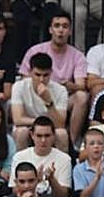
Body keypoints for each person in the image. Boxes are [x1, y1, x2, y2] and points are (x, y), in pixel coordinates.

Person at [19, 12, 91, 150]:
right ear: (50, 29)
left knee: (82, 96)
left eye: (65, 26)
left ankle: (72, 142)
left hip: (62, 97)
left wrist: (71, 86)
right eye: (57, 26)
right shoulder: (35, 50)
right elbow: (24, 79)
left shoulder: (77, 55)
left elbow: (81, 85)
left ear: (70, 31)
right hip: (36, 96)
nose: (61, 30)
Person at [10, 53, 70, 154]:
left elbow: (60, 124)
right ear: (30, 72)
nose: (41, 79)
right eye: (37, 75)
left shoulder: (61, 90)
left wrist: (48, 101)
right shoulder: (19, 86)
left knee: (62, 134)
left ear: (51, 73)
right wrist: (40, 123)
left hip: (49, 128)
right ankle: (20, 167)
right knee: (21, 132)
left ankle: (62, 167)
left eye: (45, 75)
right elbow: (17, 119)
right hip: (29, 127)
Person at [12, 116, 73, 197]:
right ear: (32, 135)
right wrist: (35, 181)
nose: (43, 140)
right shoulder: (19, 157)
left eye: (47, 136)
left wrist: (52, 179)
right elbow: (15, 191)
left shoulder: (65, 159)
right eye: (39, 136)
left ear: (53, 136)